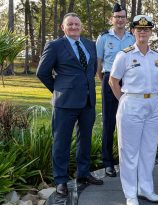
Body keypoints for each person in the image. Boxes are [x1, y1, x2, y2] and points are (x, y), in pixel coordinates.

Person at [36, 12, 103, 197]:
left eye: (77, 24)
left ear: (81, 27)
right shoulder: (55, 45)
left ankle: (83, 174)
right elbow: (42, 73)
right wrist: (59, 90)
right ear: (63, 27)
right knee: (61, 142)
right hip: (65, 103)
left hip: (87, 101)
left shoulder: (89, 44)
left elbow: (89, 72)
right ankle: (60, 180)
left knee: (85, 139)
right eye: (70, 24)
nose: (74, 27)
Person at [109, 15, 158, 205]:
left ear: (150, 32)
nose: (143, 32)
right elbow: (113, 81)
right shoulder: (124, 55)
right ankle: (131, 194)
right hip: (132, 102)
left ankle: (146, 189)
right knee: (129, 152)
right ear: (133, 31)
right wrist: (124, 100)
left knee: (149, 149)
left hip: (154, 103)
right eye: (139, 29)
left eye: (146, 29)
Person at [96, 3, 135, 178]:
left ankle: (126, 160)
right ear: (111, 19)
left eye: (122, 17)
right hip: (109, 80)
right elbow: (98, 64)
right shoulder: (104, 38)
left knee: (128, 121)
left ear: (126, 19)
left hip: (129, 82)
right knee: (109, 122)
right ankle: (108, 162)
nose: (120, 20)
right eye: (117, 17)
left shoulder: (131, 38)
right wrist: (106, 80)